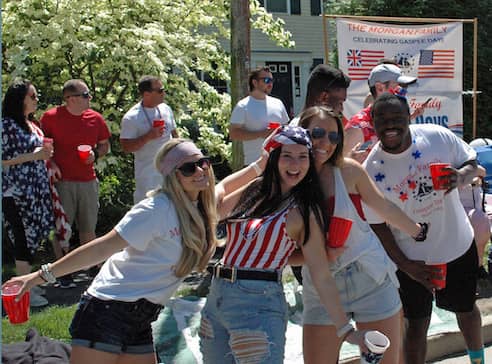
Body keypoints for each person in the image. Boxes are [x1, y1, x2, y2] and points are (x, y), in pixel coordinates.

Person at [3, 138, 267, 364]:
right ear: (174, 176)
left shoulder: (200, 209)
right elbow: (103, 247)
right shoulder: (155, 210)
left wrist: (265, 164)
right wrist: (38, 276)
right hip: (107, 310)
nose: (200, 170)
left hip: (141, 316)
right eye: (189, 167)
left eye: (203, 162)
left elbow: (227, 187)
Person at [199, 126, 365, 364]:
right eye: (287, 155)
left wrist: (345, 329)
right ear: (275, 158)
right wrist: (257, 166)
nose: (295, 164)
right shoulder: (255, 190)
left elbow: (321, 275)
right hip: (217, 298)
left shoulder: (303, 211)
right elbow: (214, 206)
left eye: (302, 157)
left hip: (257, 303)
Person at [299, 106, 426, 364]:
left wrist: (418, 232)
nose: (326, 143)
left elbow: (384, 207)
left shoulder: (349, 171)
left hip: (369, 276)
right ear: (301, 132)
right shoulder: (287, 176)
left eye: (334, 137)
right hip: (321, 284)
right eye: (318, 133)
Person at [364, 93, 484, 364]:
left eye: (396, 118)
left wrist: (459, 177)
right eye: (381, 119)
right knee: (417, 324)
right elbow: (378, 226)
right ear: (373, 123)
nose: (389, 125)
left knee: (466, 310)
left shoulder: (436, 137)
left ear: (409, 117)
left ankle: (478, 361)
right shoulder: (371, 169)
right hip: (412, 260)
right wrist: (406, 265)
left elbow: (471, 164)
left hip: (457, 246)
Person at [40, 79, 111, 287]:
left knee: (88, 227)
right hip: (62, 182)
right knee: (63, 228)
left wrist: (95, 153)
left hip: (88, 180)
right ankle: (62, 272)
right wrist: (51, 163)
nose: (90, 98)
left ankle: (90, 267)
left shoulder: (95, 118)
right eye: (86, 95)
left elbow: (105, 144)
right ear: (70, 99)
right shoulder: (51, 118)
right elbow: (42, 146)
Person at [288, 63, 351, 284]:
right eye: (340, 101)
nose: (342, 108)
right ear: (324, 97)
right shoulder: (296, 134)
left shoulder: (312, 129)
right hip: (307, 241)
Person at [2, 79, 55, 307]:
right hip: (16, 193)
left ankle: (27, 284)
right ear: (19, 100)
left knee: (33, 239)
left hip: (35, 191)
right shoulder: (6, 125)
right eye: (32, 96)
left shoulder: (30, 123)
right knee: (22, 240)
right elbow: (3, 160)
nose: (36, 100)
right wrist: (34, 156)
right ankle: (22, 292)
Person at [120, 75, 179, 203]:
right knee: (148, 209)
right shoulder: (132, 117)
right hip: (148, 175)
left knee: (172, 209)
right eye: (159, 90)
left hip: (170, 171)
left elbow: (174, 133)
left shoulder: (165, 109)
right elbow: (126, 147)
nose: (164, 93)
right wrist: (148, 136)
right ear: (146, 94)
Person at [344, 63, 418, 163]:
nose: (403, 93)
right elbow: (344, 171)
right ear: (379, 88)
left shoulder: (401, 121)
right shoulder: (357, 128)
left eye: (404, 89)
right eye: (399, 88)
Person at [229, 66, 289, 166]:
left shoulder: (278, 103)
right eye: (266, 80)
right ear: (255, 82)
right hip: (254, 165)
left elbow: (287, 129)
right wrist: (261, 134)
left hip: (279, 163)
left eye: (271, 80)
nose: (270, 84)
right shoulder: (243, 106)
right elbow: (234, 133)